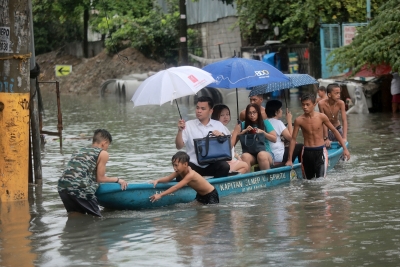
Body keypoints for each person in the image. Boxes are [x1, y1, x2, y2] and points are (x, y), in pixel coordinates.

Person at [58, 129, 128, 217]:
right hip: (79, 188)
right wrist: (118, 180)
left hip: (62, 187)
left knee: (75, 216)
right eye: (108, 145)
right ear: (104, 143)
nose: (107, 148)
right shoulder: (103, 153)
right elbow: (100, 178)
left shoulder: (79, 150)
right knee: (96, 220)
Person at [285, 94, 350, 179]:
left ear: (314, 104)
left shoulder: (321, 117)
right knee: (308, 181)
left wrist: (345, 149)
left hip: (320, 151)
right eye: (303, 104)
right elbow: (293, 139)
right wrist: (289, 160)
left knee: (321, 180)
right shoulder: (299, 120)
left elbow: (334, 131)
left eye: (307, 104)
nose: (305, 107)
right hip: (307, 152)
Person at [176, 96, 230, 178]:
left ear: (211, 111)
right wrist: (180, 130)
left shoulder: (218, 125)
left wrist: (221, 136)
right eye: (197, 108)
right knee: (181, 171)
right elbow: (179, 146)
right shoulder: (188, 125)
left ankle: (215, 187)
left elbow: (227, 147)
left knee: (224, 166)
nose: (199, 111)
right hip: (193, 165)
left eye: (203, 109)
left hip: (212, 164)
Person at [149, 151, 219, 204]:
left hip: (211, 194)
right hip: (200, 195)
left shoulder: (190, 175)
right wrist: (157, 180)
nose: (174, 168)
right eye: (173, 165)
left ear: (185, 164)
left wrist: (160, 195)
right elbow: (168, 178)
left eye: (176, 165)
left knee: (208, 215)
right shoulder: (179, 171)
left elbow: (176, 187)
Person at [233, 103, 277, 170]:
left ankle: (267, 179)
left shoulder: (265, 123)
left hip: (266, 153)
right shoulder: (242, 125)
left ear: (258, 113)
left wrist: (263, 133)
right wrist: (243, 132)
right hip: (250, 154)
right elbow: (233, 143)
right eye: (249, 113)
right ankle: (247, 179)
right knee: (245, 156)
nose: (252, 115)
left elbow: (274, 139)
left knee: (261, 155)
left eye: (254, 112)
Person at [211, 104, 250, 174]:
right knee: (245, 166)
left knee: (243, 162)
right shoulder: (216, 130)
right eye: (222, 115)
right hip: (224, 161)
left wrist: (237, 155)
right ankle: (230, 177)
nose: (225, 117)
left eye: (227, 114)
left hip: (228, 158)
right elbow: (228, 146)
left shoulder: (224, 129)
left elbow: (231, 148)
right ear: (215, 116)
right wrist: (235, 131)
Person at [265, 100, 303, 166]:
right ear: (276, 112)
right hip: (278, 156)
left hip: (269, 154)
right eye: (280, 109)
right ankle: (301, 166)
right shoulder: (278, 123)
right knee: (300, 146)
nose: (282, 111)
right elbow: (291, 138)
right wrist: (289, 120)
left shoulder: (265, 122)